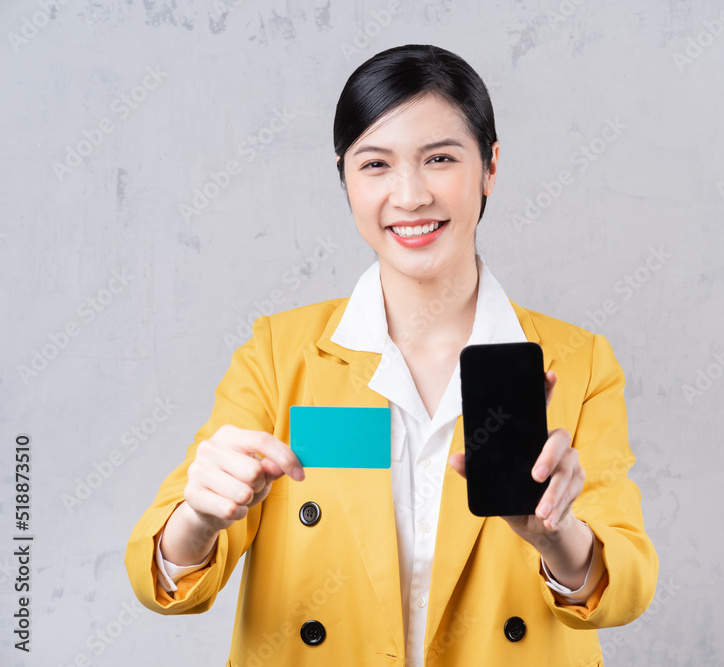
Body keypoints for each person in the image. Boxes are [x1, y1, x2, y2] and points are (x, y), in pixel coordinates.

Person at [125, 43, 658, 666]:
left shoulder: (577, 361)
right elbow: (163, 581)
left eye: (439, 159)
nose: (409, 196)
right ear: (345, 178)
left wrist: (553, 534)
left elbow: (627, 587)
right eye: (375, 164)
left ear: (489, 167)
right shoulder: (280, 354)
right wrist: (200, 515)